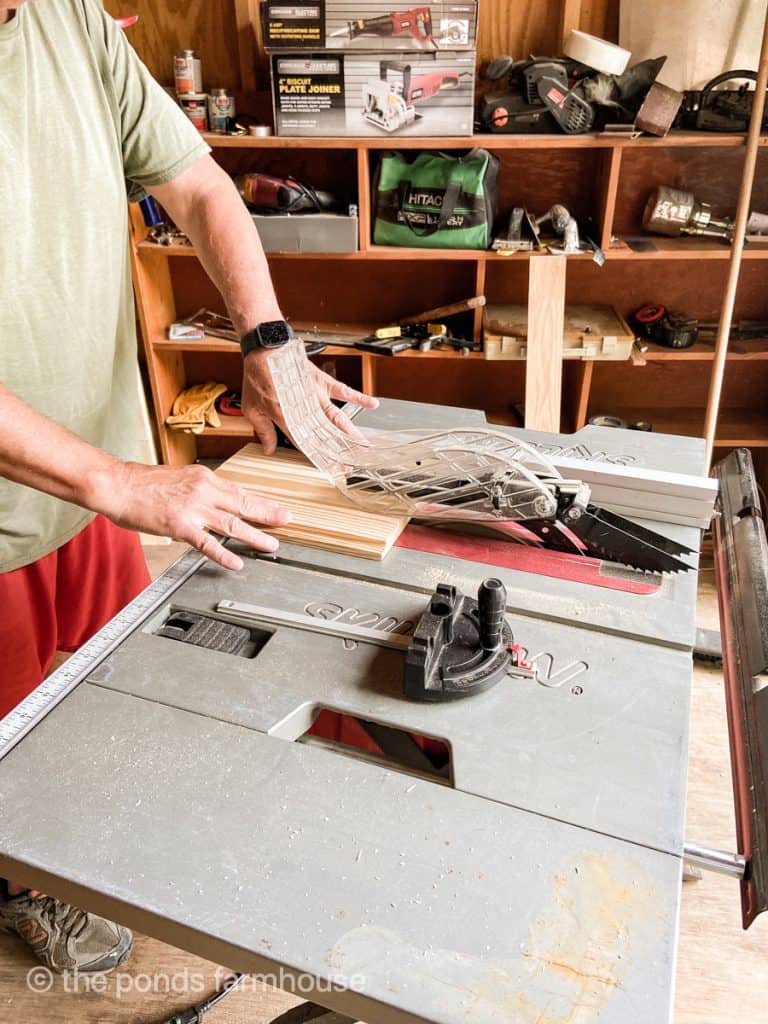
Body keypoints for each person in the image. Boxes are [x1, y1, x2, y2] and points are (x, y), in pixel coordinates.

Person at [0, 0, 377, 975]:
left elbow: (201, 184)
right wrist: (124, 480)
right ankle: (27, 882)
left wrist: (265, 336)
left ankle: (82, 841)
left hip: (98, 490)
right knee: (8, 757)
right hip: (55, 503)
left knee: (107, 703)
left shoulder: (64, 19)